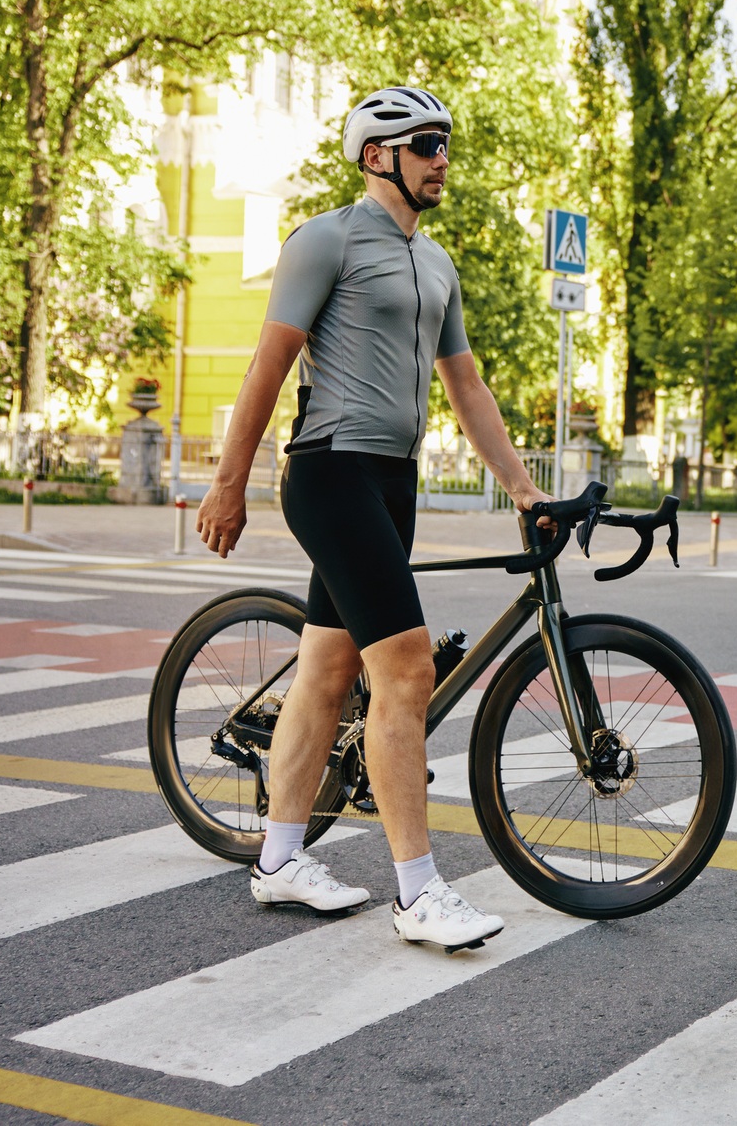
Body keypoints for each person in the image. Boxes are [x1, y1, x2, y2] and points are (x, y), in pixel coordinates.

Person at [196, 87, 552, 950]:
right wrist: (229, 481)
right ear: (376, 155)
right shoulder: (326, 240)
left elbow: (466, 387)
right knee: (405, 671)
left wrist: (523, 486)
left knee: (325, 669)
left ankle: (279, 861)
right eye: (425, 143)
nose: (440, 158)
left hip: (393, 483)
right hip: (329, 474)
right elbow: (269, 364)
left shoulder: (436, 265)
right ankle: (418, 891)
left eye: (444, 145)